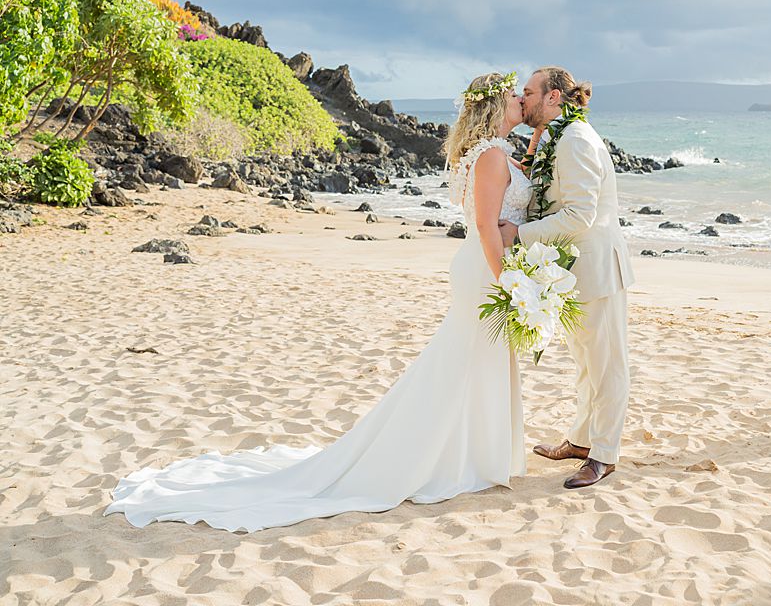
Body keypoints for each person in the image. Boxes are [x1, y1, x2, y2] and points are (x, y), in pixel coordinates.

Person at [104, 72, 534, 532]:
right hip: (487, 268)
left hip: (484, 265)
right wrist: (508, 280)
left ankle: (474, 453)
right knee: (462, 362)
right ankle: (451, 458)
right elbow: (489, 227)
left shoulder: (497, 152)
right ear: (493, 107)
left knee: (476, 361)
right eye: (513, 95)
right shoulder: (489, 157)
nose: (519, 100)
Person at [499, 66, 634, 489]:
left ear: (553, 96)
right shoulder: (558, 136)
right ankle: (580, 439)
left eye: (529, 92)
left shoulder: (575, 140)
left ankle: (604, 455)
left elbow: (580, 215)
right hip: (573, 270)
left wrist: (519, 234)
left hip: (596, 268)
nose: (524, 100)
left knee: (607, 365)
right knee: (584, 363)